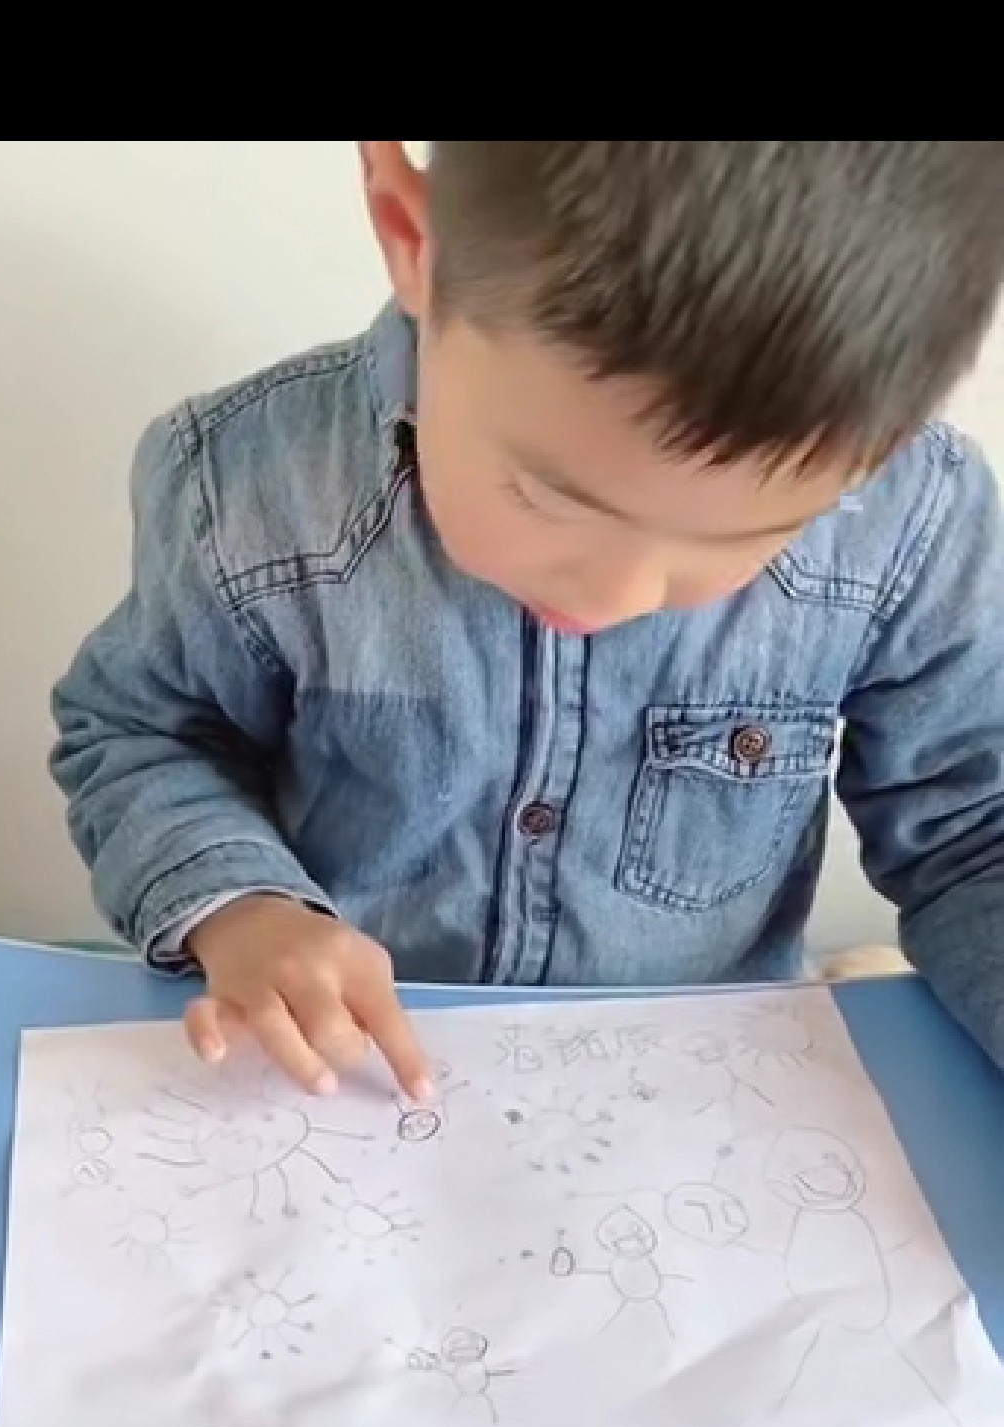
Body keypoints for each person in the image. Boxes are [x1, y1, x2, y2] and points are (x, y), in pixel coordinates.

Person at [51, 141, 1004, 1102]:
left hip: (694, 1104)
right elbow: (143, 736)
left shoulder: (915, 518)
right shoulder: (247, 486)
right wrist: (244, 909)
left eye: (743, 539)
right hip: (345, 1086)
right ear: (415, 242)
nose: (614, 598)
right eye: (550, 497)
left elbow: (977, 833)